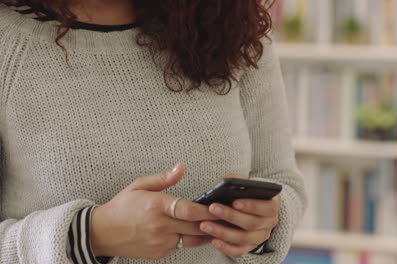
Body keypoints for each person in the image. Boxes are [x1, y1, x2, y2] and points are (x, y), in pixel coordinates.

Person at [0, 0, 308, 263]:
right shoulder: (8, 40)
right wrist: (89, 235)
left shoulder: (231, 25)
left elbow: (282, 181)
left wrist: (261, 226)